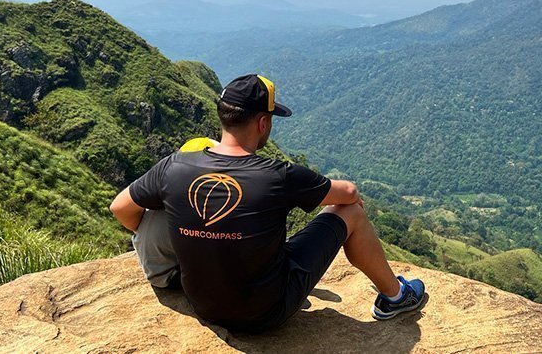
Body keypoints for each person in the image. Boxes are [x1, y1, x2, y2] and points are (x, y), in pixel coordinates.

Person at [109, 74, 427, 332]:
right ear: (262, 123)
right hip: (266, 314)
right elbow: (348, 193)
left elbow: (120, 208)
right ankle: (395, 296)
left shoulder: (173, 166)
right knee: (351, 213)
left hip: (202, 305)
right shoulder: (277, 175)